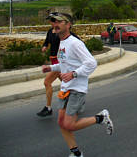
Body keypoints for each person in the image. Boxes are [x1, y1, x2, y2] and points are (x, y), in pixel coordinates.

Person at [41, 13, 113, 157]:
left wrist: (74, 74)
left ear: (68, 25)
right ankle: (76, 153)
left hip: (76, 89)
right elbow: (64, 65)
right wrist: (51, 68)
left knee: (69, 125)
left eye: (58, 22)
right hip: (65, 88)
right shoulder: (62, 42)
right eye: (52, 22)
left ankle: (101, 118)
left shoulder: (75, 43)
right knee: (61, 123)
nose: (54, 24)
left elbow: (92, 63)